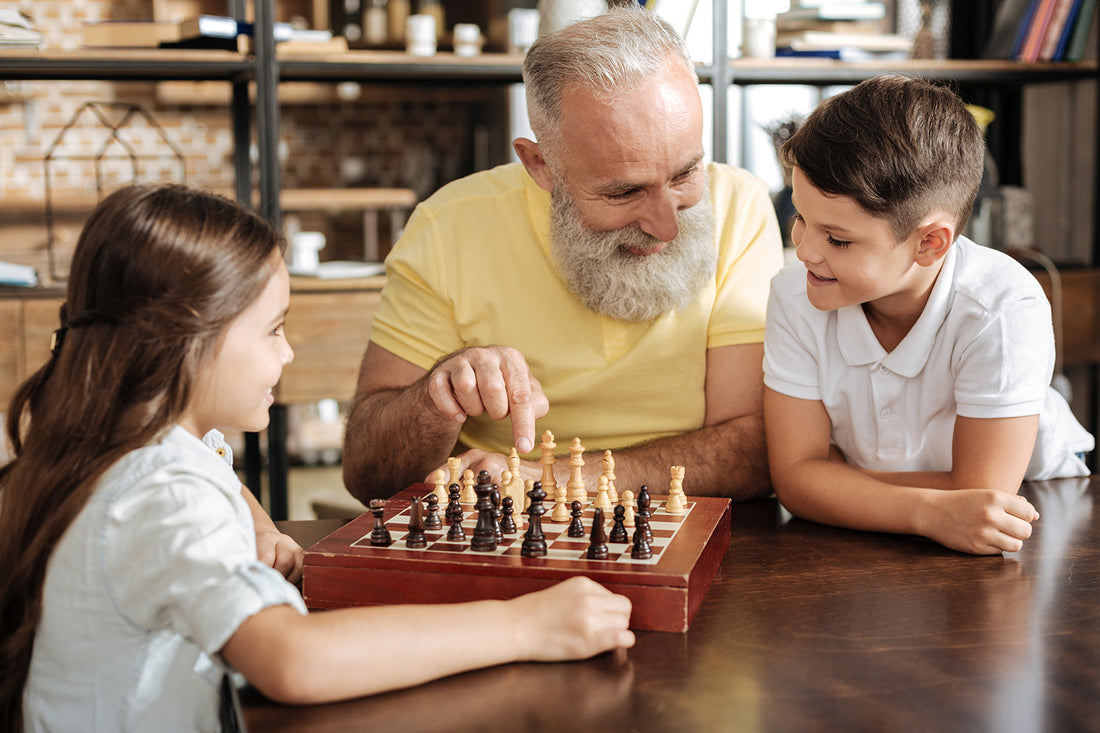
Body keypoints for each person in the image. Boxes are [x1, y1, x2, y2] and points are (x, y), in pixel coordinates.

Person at [0, 184, 634, 732]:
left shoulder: (118, 442)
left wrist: (251, 520)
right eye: (274, 330)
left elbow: (208, 470)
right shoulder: (162, 488)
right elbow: (294, 660)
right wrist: (526, 627)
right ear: (189, 339)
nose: (288, 355)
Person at [343, 7, 785, 504]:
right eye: (624, 193)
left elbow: (753, 449)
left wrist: (555, 482)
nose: (667, 225)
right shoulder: (449, 225)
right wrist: (436, 395)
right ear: (540, 164)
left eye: (685, 174)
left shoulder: (741, 205)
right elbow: (367, 474)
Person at [762, 75, 1094, 556]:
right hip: (896, 532)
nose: (806, 250)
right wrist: (923, 508)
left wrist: (834, 479)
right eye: (799, 218)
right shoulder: (796, 294)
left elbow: (982, 498)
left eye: (838, 239)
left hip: (1043, 513)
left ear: (929, 242)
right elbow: (794, 481)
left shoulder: (1002, 308)